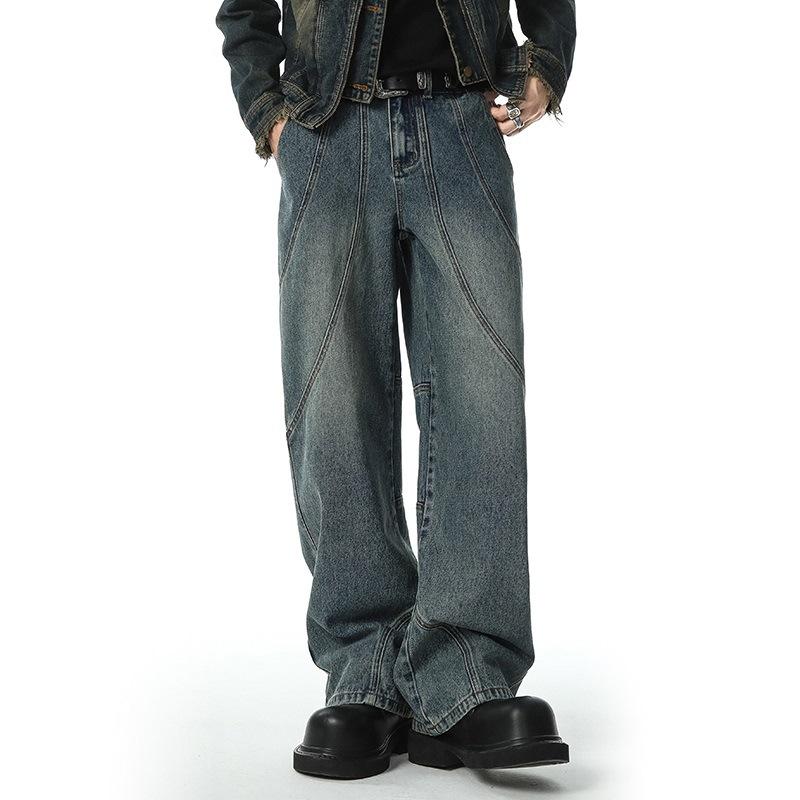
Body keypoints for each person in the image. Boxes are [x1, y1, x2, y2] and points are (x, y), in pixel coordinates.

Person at [216, 0, 576, 780]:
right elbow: (244, 9)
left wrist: (546, 59)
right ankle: (365, 670)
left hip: (463, 122)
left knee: (482, 397)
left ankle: (467, 675)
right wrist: (269, 113)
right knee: (333, 402)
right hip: (327, 130)